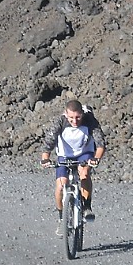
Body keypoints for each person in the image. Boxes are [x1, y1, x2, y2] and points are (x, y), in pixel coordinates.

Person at [40, 99, 106, 232]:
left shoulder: (90, 121)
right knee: (60, 186)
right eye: (71, 118)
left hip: (85, 154)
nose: (74, 121)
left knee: (85, 174)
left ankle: (87, 207)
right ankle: (61, 219)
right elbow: (48, 143)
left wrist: (96, 159)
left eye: (78, 117)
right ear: (65, 114)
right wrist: (45, 159)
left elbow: (100, 144)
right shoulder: (60, 122)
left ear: (82, 113)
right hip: (64, 155)